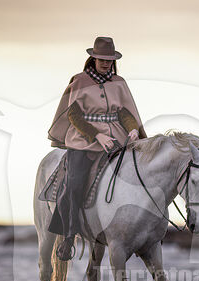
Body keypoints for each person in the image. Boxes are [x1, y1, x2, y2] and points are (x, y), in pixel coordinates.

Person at [47, 36, 147, 260]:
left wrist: (132, 130)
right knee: (74, 184)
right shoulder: (80, 81)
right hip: (84, 138)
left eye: (109, 59)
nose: (105, 63)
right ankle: (68, 236)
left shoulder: (119, 82)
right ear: (93, 58)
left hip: (116, 137)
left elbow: (125, 112)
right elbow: (73, 114)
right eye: (101, 59)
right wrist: (97, 135)